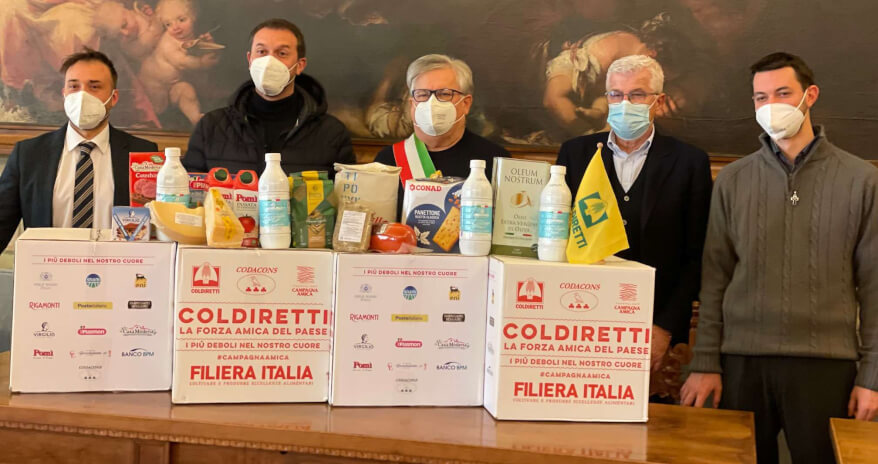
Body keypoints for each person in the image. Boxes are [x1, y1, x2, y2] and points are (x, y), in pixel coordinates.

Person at [681, 52, 878, 463]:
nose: (771, 105)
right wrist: (704, 362)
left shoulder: (863, 180)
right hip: (741, 363)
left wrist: (872, 376)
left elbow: (874, 285)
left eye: (783, 93)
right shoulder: (732, 179)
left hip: (827, 365)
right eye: (761, 97)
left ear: (810, 95)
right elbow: (714, 278)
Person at [555, 54, 712, 373]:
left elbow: (697, 255)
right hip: (580, 320)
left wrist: (664, 327)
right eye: (616, 94)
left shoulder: (689, 162)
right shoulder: (575, 154)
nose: (624, 103)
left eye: (637, 94)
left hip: (656, 327)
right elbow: (557, 237)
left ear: (659, 101)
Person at [0, 47, 158, 251]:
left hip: (119, 267)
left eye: (94, 87)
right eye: (74, 86)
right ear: (64, 94)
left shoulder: (143, 154)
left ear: (113, 98)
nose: (83, 95)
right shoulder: (29, 155)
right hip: (49, 267)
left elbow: (158, 227)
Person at [184, 18, 354, 174]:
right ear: (250, 60)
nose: (269, 62)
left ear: (300, 65)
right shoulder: (211, 127)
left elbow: (346, 194)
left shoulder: (332, 133)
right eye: (261, 51)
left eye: (282, 53)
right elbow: (191, 190)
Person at [374, 54, 510, 216]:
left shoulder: (495, 161)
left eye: (444, 94)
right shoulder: (388, 162)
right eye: (423, 95)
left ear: (466, 104)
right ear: (412, 105)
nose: (432, 103)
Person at [139, 0, 221, 125]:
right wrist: (201, 63)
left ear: (193, 17)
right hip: (154, 85)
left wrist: (208, 44)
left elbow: (197, 51)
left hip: (175, 83)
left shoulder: (191, 36)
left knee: (187, 91)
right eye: (168, 24)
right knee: (160, 112)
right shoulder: (167, 43)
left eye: (182, 20)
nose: (176, 27)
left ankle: (196, 118)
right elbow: (182, 62)